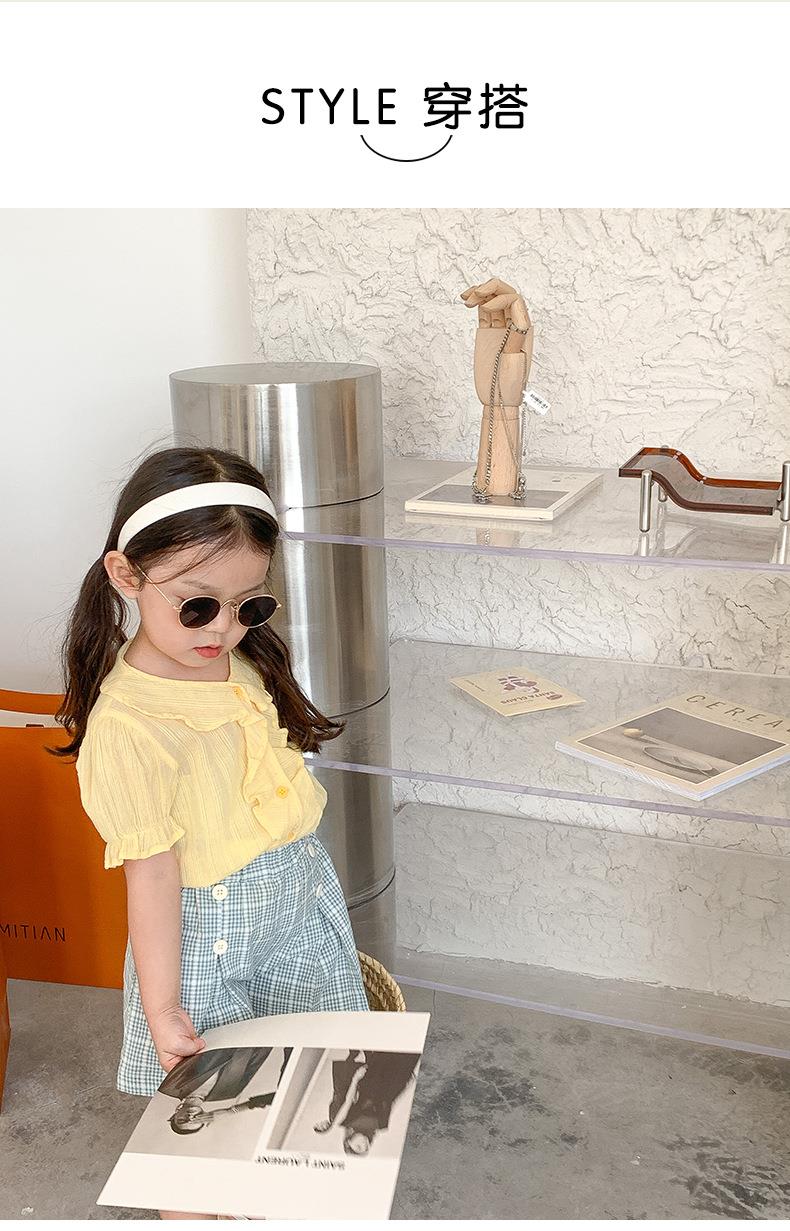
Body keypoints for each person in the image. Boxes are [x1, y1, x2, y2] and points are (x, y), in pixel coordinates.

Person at [54, 446, 370, 1218]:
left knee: (310, 1105)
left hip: (297, 908)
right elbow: (153, 874)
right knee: (202, 1136)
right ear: (126, 575)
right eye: (197, 606)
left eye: (248, 606)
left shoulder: (236, 660)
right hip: (206, 939)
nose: (224, 628)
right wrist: (163, 1007)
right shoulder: (131, 725)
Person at [160, 1046, 291, 1134]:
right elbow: (256, 1060)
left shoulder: (169, 1086)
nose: (190, 1117)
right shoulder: (229, 1093)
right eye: (196, 1120)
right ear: (204, 1117)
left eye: (182, 1120)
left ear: (174, 1115)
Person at [313, 1050, 419, 1155]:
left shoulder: (345, 1122)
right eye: (366, 1148)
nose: (364, 1145)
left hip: (372, 1082)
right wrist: (407, 1088)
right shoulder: (381, 1127)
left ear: (348, 1142)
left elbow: (348, 1100)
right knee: (410, 1055)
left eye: (358, 1147)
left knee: (388, 1052)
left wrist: (355, 1079)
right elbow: (393, 1104)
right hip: (395, 1085)